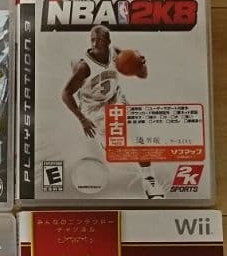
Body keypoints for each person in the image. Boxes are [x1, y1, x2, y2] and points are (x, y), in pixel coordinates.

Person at [61, 25, 164, 199]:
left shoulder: (116, 54)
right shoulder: (84, 67)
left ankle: (149, 180)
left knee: (138, 137)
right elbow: (65, 93)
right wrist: (82, 119)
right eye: (92, 39)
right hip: (94, 108)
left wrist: (140, 64)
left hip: (116, 99)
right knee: (115, 150)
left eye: (99, 40)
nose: (95, 43)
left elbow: (142, 75)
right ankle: (105, 142)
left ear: (108, 41)